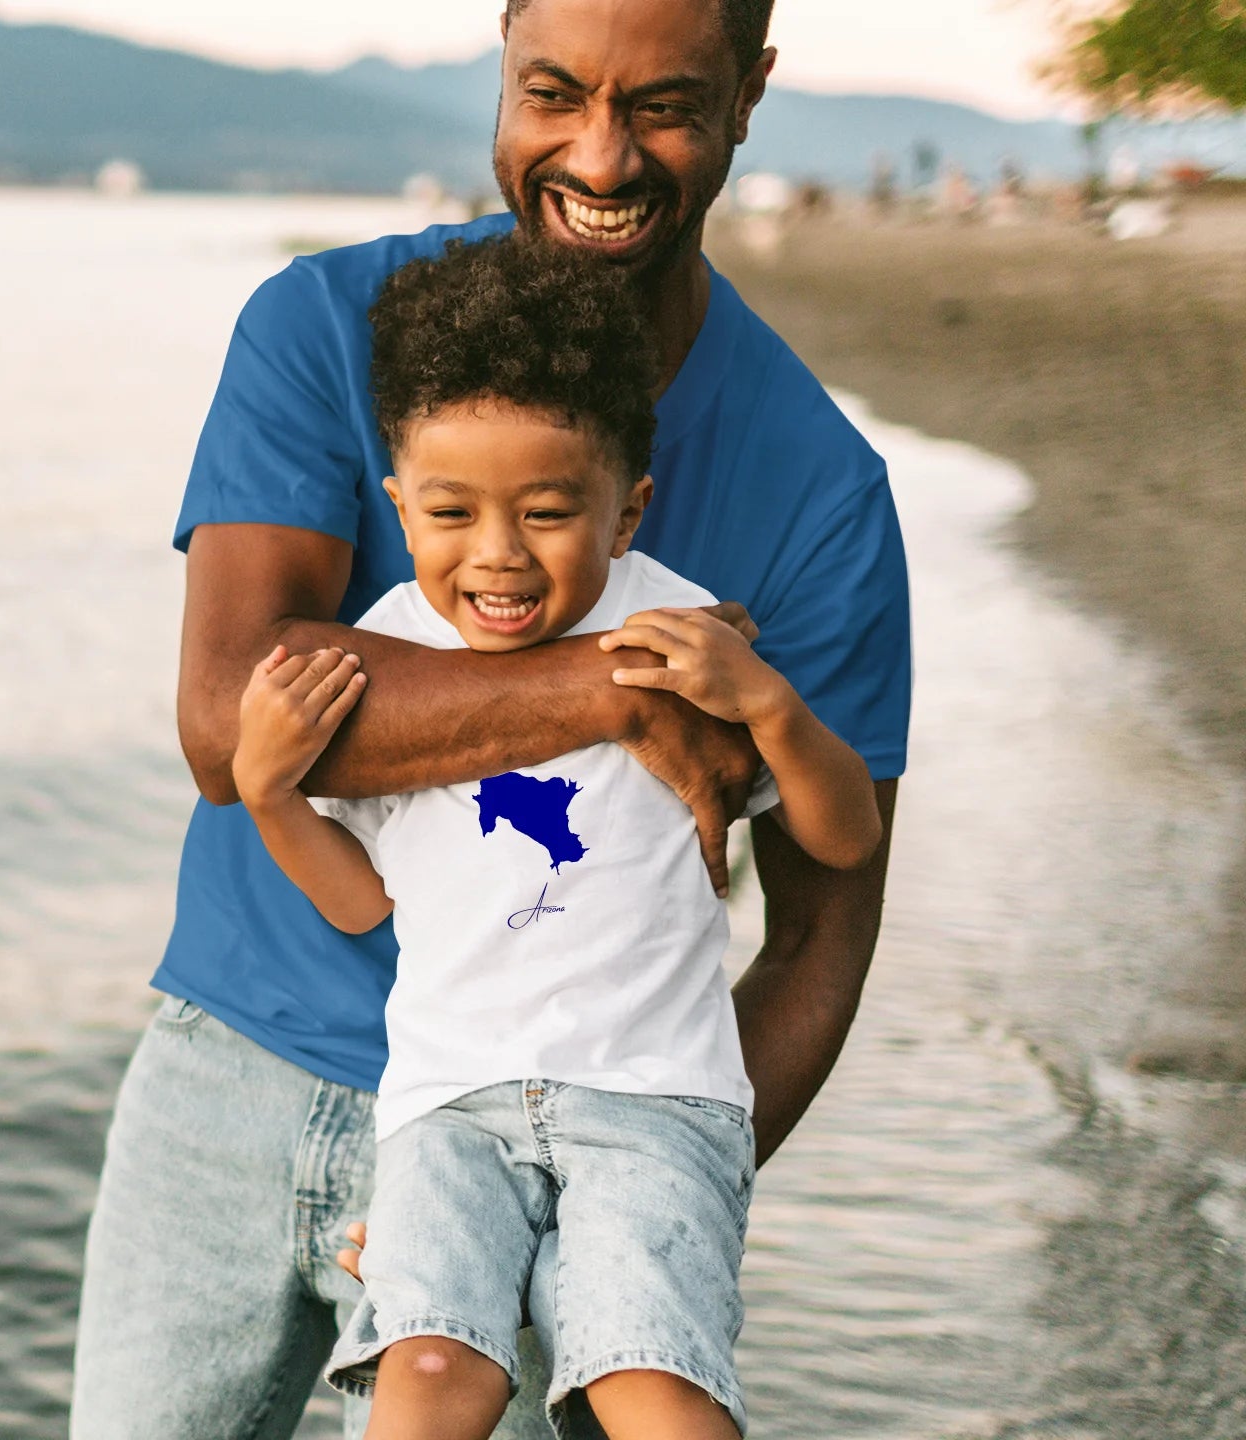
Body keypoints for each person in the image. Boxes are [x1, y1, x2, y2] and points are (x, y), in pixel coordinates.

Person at [69, 1, 911, 1435]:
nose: (599, 152)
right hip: (232, 1074)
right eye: (554, 92)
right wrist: (612, 692)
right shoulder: (323, 329)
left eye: (661, 104)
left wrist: (639, 1199)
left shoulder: (820, 488)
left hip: (561, 1136)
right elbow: (228, 725)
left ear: (751, 92)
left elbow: (826, 922)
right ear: (503, 70)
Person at [231, 236, 883, 1440]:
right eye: (450, 512)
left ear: (626, 507)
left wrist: (773, 709)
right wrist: (271, 796)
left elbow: (840, 841)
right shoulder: (380, 653)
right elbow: (360, 903)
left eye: (546, 511)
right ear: (398, 505)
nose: (498, 553)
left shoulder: (686, 637)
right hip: (451, 1106)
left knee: (652, 1385)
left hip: (654, 1099)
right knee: (428, 1377)